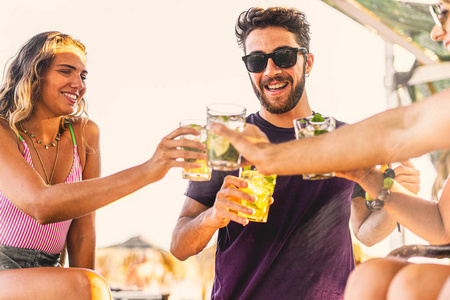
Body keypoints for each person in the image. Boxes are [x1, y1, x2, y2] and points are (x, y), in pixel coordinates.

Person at [170, 7, 420, 299]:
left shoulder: (346, 140)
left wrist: (396, 197)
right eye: (257, 60)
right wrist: (213, 216)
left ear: (308, 62)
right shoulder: (229, 141)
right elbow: (179, 245)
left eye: (284, 57)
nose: (271, 70)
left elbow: (365, 231)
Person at [0, 31, 206, 300]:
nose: (78, 84)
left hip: (51, 271)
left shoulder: (85, 135)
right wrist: (148, 171)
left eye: (83, 76)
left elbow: (82, 233)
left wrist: (89, 289)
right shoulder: (4, 131)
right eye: (66, 71)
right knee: (89, 285)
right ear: (34, 74)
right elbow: (41, 205)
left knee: (91, 284)